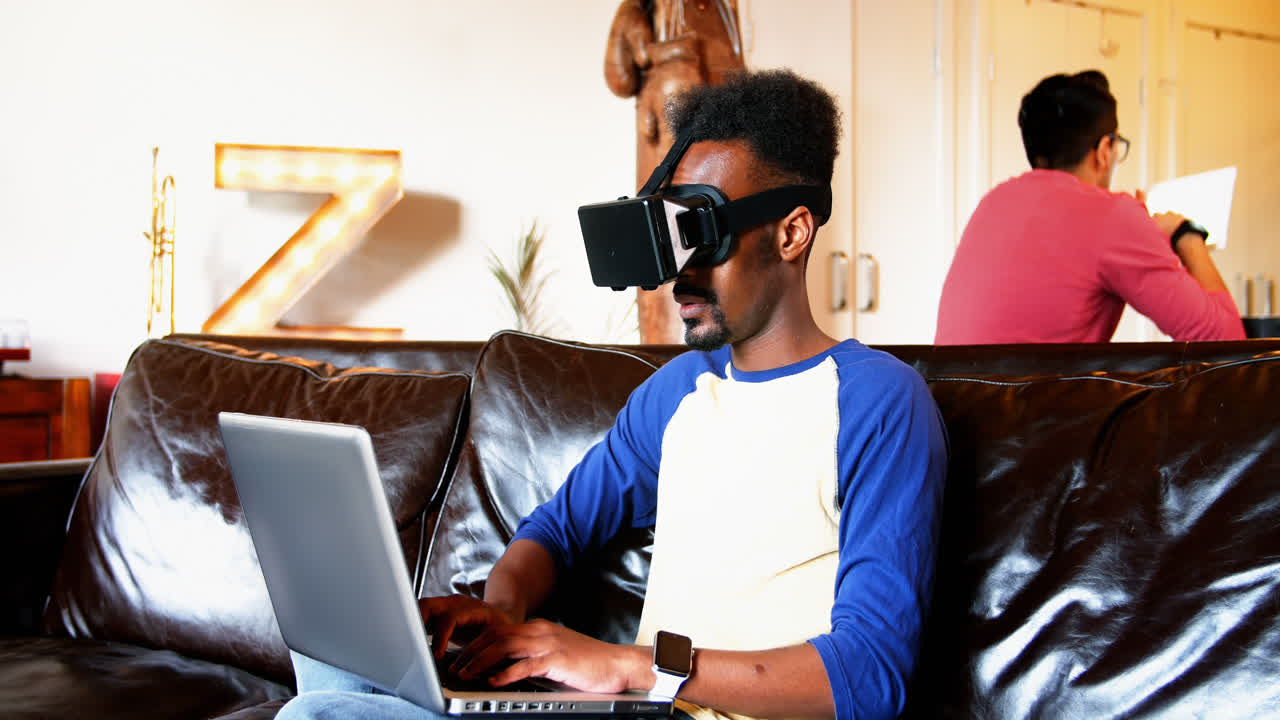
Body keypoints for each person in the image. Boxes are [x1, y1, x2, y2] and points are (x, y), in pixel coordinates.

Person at [277, 69, 948, 720]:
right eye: (669, 235)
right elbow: (556, 531)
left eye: (702, 235)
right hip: (632, 709)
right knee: (339, 660)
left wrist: (635, 665)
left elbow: (869, 676)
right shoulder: (676, 394)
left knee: (325, 714)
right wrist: (501, 613)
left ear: (792, 231)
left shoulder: (880, 402)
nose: (678, 275)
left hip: (677, 705)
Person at [935, 70, 1245, 344]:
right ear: (1104, 150)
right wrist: (1185, 234)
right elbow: (1225, 342)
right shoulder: (1114, 217)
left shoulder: (993, 203)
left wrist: (1135, 226)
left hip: (957, 406)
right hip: (1037, 409)